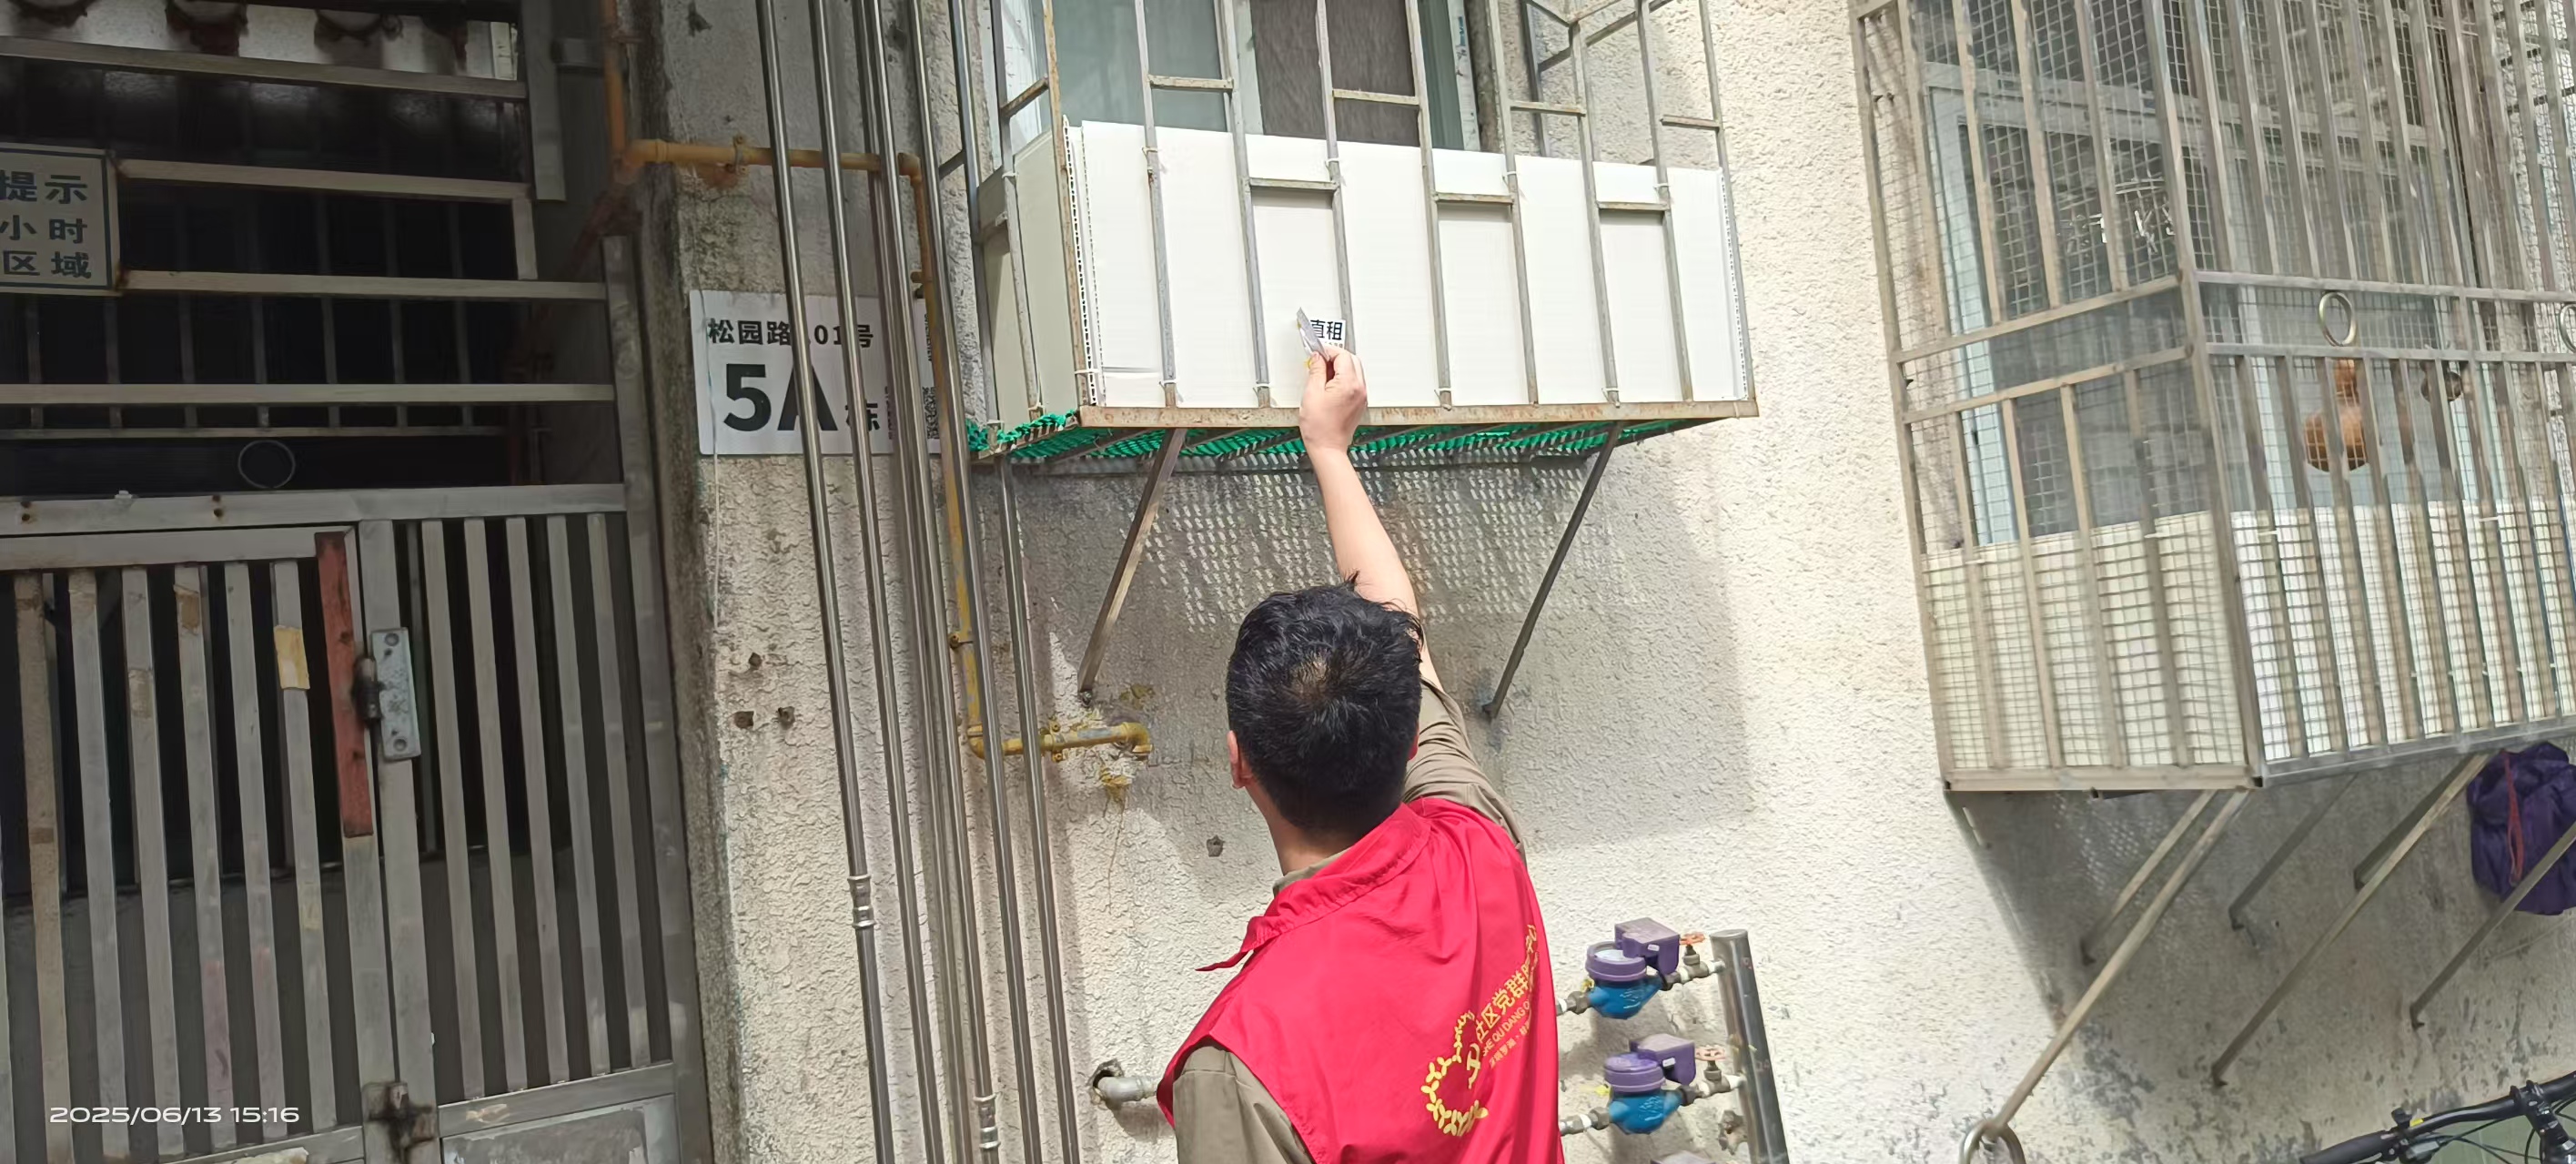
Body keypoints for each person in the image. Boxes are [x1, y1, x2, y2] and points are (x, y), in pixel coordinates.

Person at [1157, 345, 1562, 1163]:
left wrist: (1325, 444)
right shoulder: (1473, 840)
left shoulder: (1247, 1059)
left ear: (1239, 762)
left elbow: (1401, 640)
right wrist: (1330, 448)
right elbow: (1401, 629)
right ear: (1410, 740)